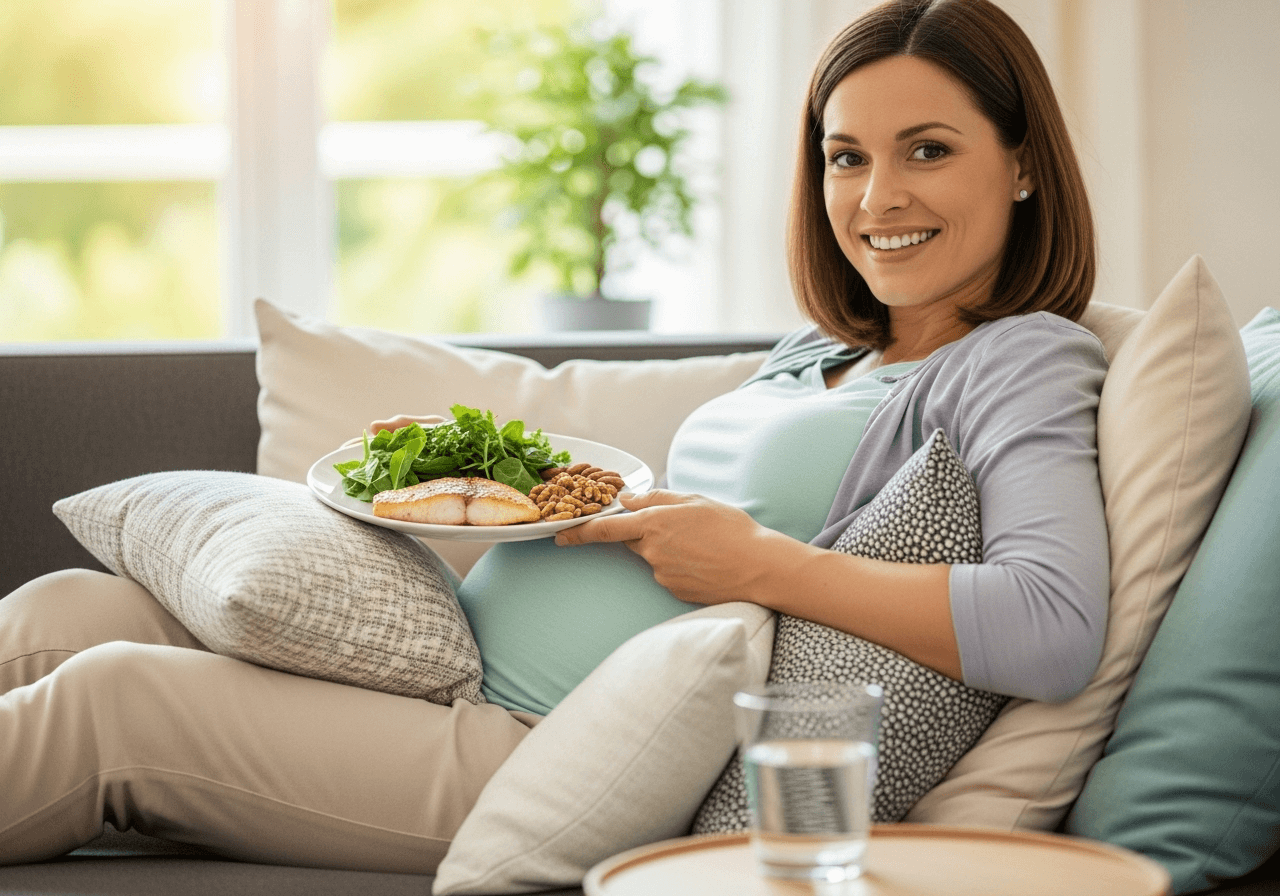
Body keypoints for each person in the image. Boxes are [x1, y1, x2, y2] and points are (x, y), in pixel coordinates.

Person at [0, 0, 1108, 874]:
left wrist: (763, 566)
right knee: (73, 607)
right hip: (442, 660)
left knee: (110, 704)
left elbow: (1051, 622)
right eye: (843, 155)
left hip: (544, 742)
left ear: (1018, 164)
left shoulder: (1015, 358)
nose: (873, 196)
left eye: (925, 151)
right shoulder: (812, 351)